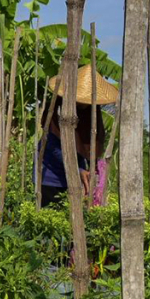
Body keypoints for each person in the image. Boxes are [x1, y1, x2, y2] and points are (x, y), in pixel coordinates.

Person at [37, 65, 119, 208]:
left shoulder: (90, 116)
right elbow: (54, 149)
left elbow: (88, 146)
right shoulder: (57, 112)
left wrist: (92, 169)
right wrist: (79, 170)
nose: (83, 104)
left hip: (75, 175)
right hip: (50, 175)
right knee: (51, 213)